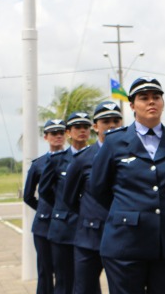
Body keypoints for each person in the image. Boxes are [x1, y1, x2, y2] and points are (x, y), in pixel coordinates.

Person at [90, 77, 165, 294]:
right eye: (143, 98)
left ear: (163, 103)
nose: (151, 102)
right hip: (125, 244)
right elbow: (99, 188)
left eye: (156, 97)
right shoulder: (114, 142)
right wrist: (128, 211)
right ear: (132, 105)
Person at [63, 101, 123, 294]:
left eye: (116, 120)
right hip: (90, 237)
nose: (112, 125)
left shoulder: (133, 154)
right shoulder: (82, 159)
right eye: (106, 121)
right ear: (96, 126)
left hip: (124, 235)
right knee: (84, 289)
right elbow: (69, 198)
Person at [39, 112, 92, 294]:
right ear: (68, 132)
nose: (82, 131)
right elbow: (44, 191)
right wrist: (61, 207)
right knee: (63, 281)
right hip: (63, 228)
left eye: (86, 127)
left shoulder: (97, 157)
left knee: (89, 283)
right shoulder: (57, 160)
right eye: (77, 127)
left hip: (89, 228)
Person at [23, 119, 67, 294]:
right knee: (45, 271)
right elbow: (28, 196)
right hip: (44, 226)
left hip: (66, 224)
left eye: (61, 133)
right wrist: (43, 208)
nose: (57, 136)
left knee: (65, 271)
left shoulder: (74, 160)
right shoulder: (38, 164)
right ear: (46, 137)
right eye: (53, 133)